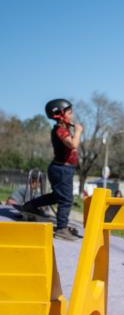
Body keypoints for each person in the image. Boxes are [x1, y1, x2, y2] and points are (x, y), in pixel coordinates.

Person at [17, 99, 82, 241]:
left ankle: (30, 206)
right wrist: (78, 131)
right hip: (61, 170)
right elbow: (73, 144)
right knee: (66, 200)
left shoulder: (64, 129)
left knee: (57, 196)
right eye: (69, 113)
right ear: (60, 114)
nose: (72, 116)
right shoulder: (60, 130)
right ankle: (61, 229)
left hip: (64, 169)